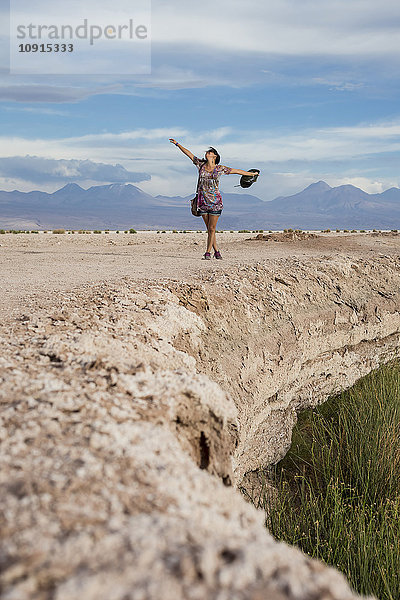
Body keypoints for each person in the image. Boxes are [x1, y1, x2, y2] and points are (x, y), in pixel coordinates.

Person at [169, 138, 260, 260]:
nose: (207, 153)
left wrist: (252, 174)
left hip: (215, 203)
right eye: (208, 152)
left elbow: (237, 171)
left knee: (211, 229)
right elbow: (188, 153)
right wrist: (177, 144)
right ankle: (217, 251)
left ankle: (207, 252)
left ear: (215, 156)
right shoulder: (200, 164)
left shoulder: (220, 168)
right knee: (210, 229)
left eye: (210, 152)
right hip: (202, 202)